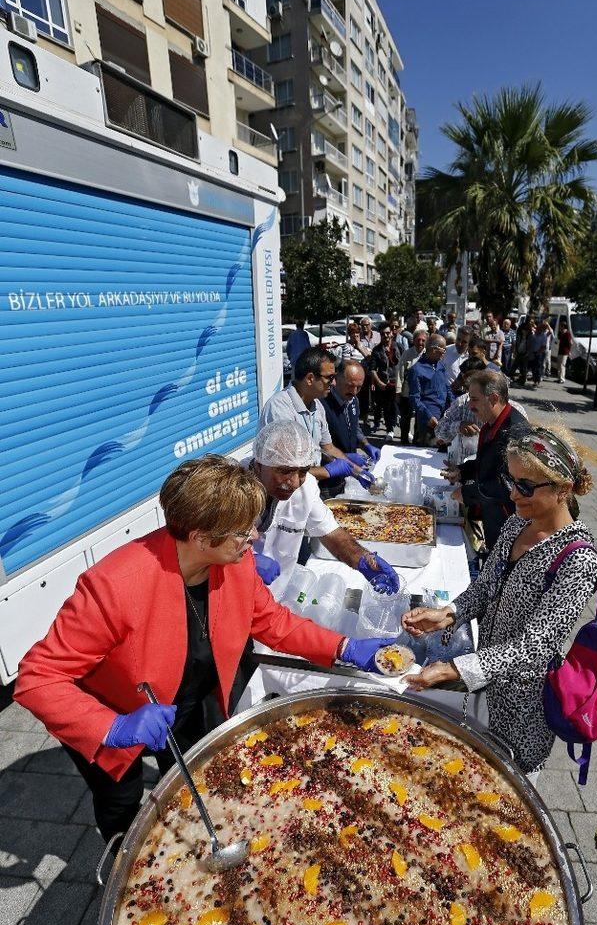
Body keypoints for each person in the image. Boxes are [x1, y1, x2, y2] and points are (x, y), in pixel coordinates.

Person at [13, 455, 395, 840]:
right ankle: (117, 853)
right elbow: (37, 678)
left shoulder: (235, 563)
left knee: (189, 779)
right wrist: (111, 727)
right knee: (122, 798)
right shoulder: (114, 585)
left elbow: (273, 622)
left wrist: (345, 647)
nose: (255, 538)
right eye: (243, 532)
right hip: (117, 714)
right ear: (199, 537)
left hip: (186, 702)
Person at [401, 425, 597, 782]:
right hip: (484, 688)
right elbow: (485, 588)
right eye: (511, 480)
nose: (514, 493)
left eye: (526, 486)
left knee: (506, 793)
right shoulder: (515, 525)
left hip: (524, 707)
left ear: (563, 488)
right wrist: (448, 613)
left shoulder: (578, 560)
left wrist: (458, 670)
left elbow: (536, 646)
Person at [249, 422, 396, 597]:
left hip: (274, 596)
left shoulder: (306, 487)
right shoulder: (231, 488)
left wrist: (363, 559)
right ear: (259, 465)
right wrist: (246, 562)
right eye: (284, 471)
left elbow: (332, 534)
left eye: (302, 471)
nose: (295, 482)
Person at [260, 347, 371, 489]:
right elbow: (285, 470)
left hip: (308, 489)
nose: (334, 383)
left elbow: (328, 448)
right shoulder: (280, 409)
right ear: (310, 378)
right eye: (329, 378)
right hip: (284, 494)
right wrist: (327, 471)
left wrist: (357, 471)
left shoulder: (317, 406)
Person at [447, 370, 530, 552]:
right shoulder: (491, 423)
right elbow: (486, 464)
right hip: (493, 517)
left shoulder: (515, 431)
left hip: (510, 526)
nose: (470, 406)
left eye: (474, 399)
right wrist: (462, 471)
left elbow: (508, 485)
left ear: (493, 398)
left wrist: (467, 493)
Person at [320, 361, 380, 497]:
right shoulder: (323, 404)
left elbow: (355, 427)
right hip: (328, 478)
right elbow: (317, 447)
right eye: (350, 386)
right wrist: (343, 458)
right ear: (336, 379)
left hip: (350, 473)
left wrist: (366, 445)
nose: (354, 391)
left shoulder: (353, 400)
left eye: (358, 387)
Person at [407, 334, 448, 445]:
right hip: (428, 421)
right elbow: (415, 398)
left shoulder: (440, 365)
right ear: (434, 349)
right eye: (443, 349)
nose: (445, 352)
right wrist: (428, 416)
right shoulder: (416, 370)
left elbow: (447, 388)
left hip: (444, 417)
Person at [369, 322, 401, 440]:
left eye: (388, 333)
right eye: (383, 334)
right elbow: (372, 370)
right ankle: (390, 429)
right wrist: (379, 383)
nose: (386, 336)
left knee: (399, 407)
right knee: (388, 407)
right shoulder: (377, 350)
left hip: (398, 382)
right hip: (385, 383)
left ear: (392, 333)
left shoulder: (398, 346)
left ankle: (403, 430)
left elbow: (403, 363)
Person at [396, 329, 428, 445]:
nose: (420, 342)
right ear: (413, 341)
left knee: (419, 420)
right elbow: (399, 372)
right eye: (418, 340)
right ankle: (404, 441)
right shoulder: (407, 353)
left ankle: (416, 442)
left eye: (423, 340)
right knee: (405, 418)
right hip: (407, 392)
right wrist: (398, 391)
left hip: (422, 393)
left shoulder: (428, 354)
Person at [357, 317, 380, 426]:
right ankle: (366, 418)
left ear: (371, 325)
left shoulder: (377, 335)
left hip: (376, 371)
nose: (365, 327)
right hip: (364, 371)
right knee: (364, 396)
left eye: (366, 325)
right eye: (362, 325)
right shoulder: (358, 337)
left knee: (376, 396)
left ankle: (377, 418)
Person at [513, 316, 532, 385]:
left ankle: (523, 380)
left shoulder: (529, 332)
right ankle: (513, 377)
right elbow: (517, 341)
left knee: (523, 367)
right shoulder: (522, 328)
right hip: (520, 350)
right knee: (517, 365)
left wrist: (528, 353)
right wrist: (516, 350)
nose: (525, 331)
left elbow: (530, 345)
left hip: (525, 352)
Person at [528, 320, 547, 387]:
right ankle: (534, 379)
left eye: (539, 328)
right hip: (533, 353)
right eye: (537, 328)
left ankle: (537, 381)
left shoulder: (543, 335)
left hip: (539, 354)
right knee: (533, 367)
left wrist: (538, 353)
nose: (537, 329)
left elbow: (543, 346)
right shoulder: (535, 334)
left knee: (538, 368)